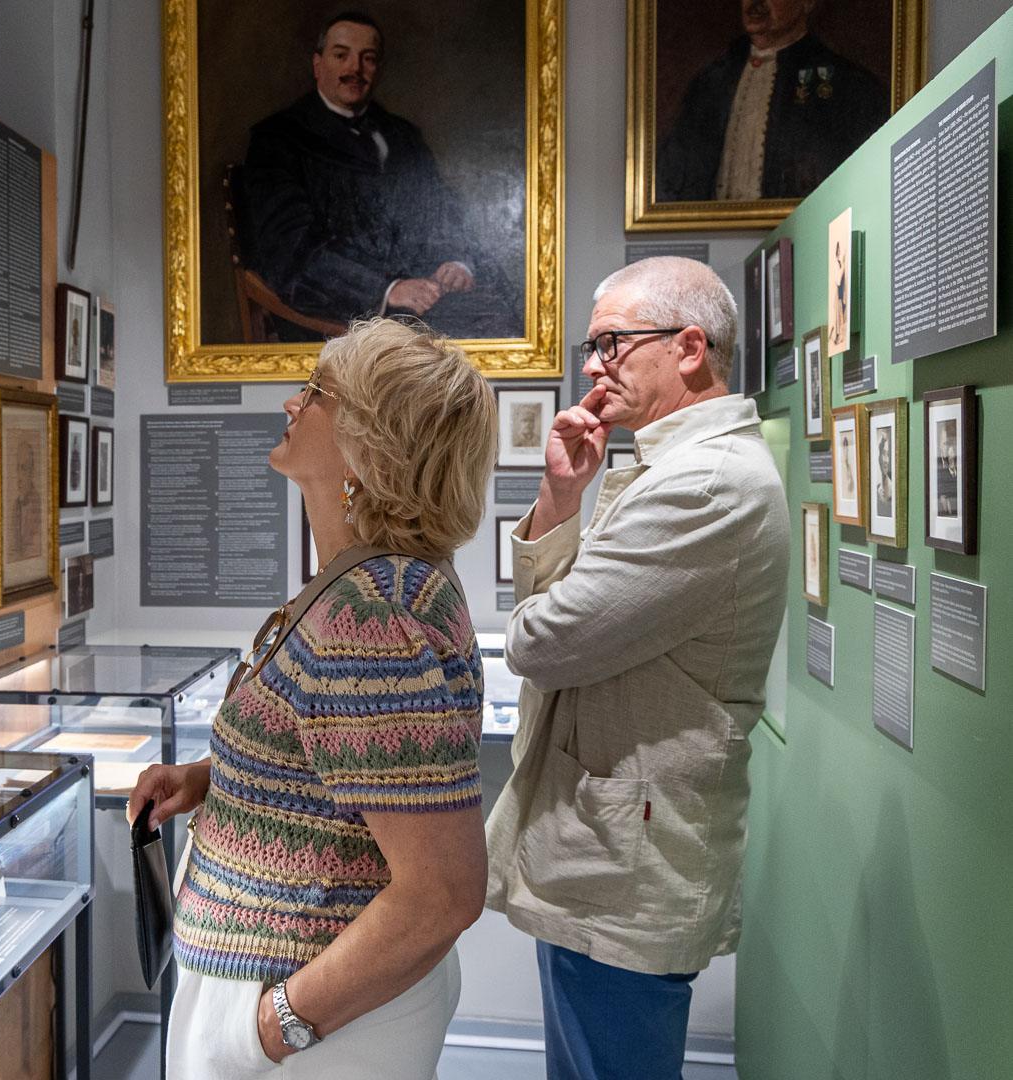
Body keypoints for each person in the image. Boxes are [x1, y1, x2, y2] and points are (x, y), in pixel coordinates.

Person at [129, 316, 495, 1079]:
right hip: (301, 984)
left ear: (369, 440)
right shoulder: (370, 583)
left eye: (316, 391)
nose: (293, 403)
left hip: (322, 1014)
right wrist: (214, 780)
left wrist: (274, 1027)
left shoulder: (374, 613)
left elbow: (443, 893)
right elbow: (342, 767)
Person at [485, 257, 789, 1079]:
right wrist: (559, 500)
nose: (590, 366)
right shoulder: (674, 469)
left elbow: (538, 643)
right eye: (594, 345)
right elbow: (555, 632)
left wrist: (540, 608)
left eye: (611, 344)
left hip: (626, 863)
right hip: (610, 848)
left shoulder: (705, 485)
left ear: (689, 347)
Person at [237, 12, 518, 341]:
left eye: (367, 59)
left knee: (503, 300)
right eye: (341, 55)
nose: (354, 69)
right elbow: (290, 249)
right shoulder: (278, 139)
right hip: (338, 306)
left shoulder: (401, 135)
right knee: (485, 321)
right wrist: (386, 290)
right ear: (317, 64)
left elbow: (442, 209)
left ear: (378, 67)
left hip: (421, 295)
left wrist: (456, 260)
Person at [657, 0, 888, 202]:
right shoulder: (709, 84)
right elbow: (672, 181)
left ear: (807, 2)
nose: (755, 2)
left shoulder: (848, 86)